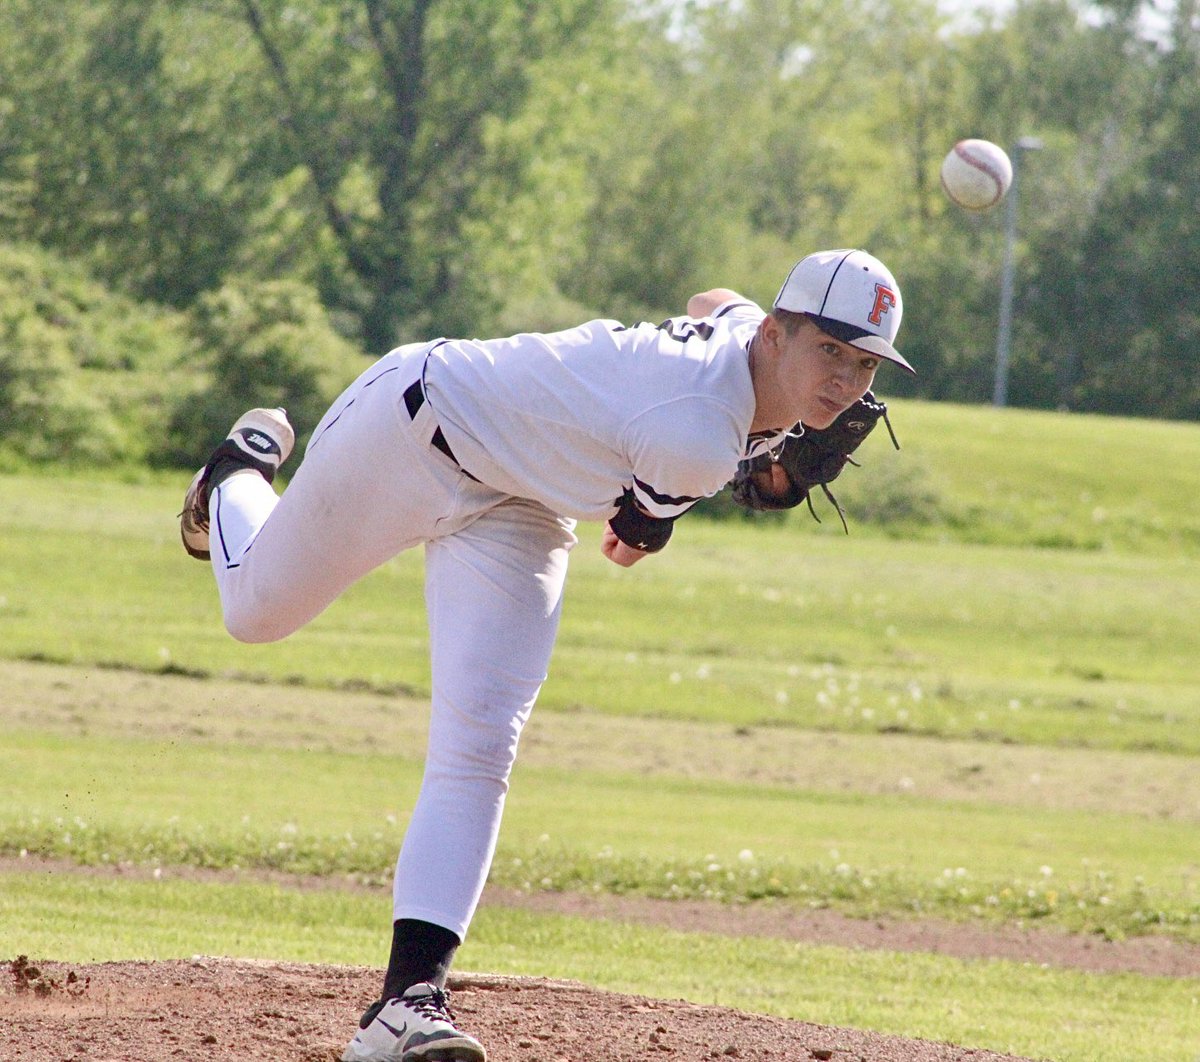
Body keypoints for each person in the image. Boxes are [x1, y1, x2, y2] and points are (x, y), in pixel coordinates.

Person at [179, 247, 913, 1062]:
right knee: (255, 614)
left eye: (865, 362)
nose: (846, 381)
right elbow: (629, 540)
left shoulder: (745, 338)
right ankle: (235, 478)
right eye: (831, 350)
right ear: (778, 335)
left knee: (482, 740)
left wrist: (766, 431)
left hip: (520, 503)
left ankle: (407, 999)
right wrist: (763, 467)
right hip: (417, 428)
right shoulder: (694, 438)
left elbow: (714, 297)